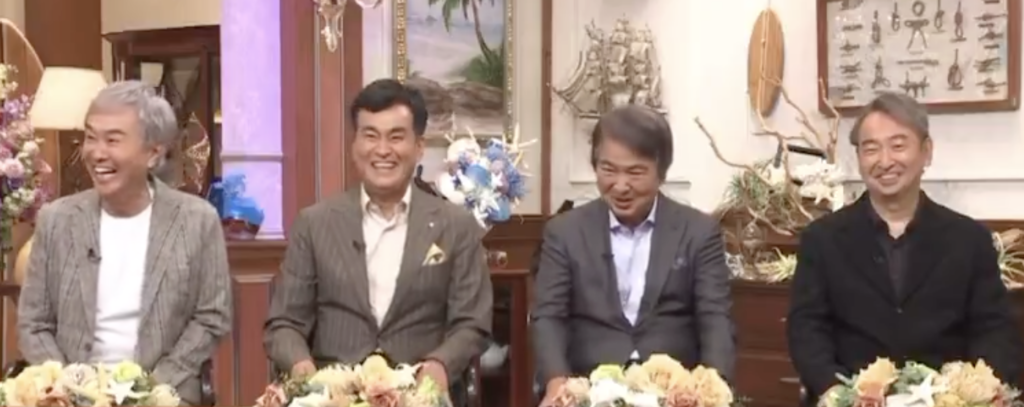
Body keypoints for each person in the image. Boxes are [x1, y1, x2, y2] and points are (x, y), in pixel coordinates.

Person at [263, 79, 493, 401]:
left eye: (396, 137)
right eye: (370, 136)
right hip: (334, 394)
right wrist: (305, 372)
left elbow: (473, 323)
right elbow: (284, 323)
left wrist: (440, 365)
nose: (382, 150)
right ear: (354, 146)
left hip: (417, 393)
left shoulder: (456, 226)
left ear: (419, 147)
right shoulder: (314, 224)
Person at [787, 92, 1023, 403]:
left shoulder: (969, 239)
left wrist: (977, 391)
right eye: (871, 149)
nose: (885, 161)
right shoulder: (822, 239)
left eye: (898, 146)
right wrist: (834, 391)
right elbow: (807, 329)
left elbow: (994, 330)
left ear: (927, 152)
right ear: (859, 158)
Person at [18, 81, 232, 405]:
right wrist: (67, 387)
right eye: (91, 137)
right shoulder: (56, 220)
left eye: (113, 140)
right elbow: (34, 324)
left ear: (153, 153)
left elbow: (212, 317)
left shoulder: (197, 220)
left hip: (162, 392)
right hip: (68, 395)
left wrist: (152, 388)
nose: (96, 152)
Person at [532, 105, 736, 405]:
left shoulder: (698, 232)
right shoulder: (564, 232)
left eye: (635, 172)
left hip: (675, 393)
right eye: (608, 170)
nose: (620, 186)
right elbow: (548, 316)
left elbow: (715, 317)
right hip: (587, 389)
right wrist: (556, 383)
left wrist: (710, 389)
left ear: (661, 172)